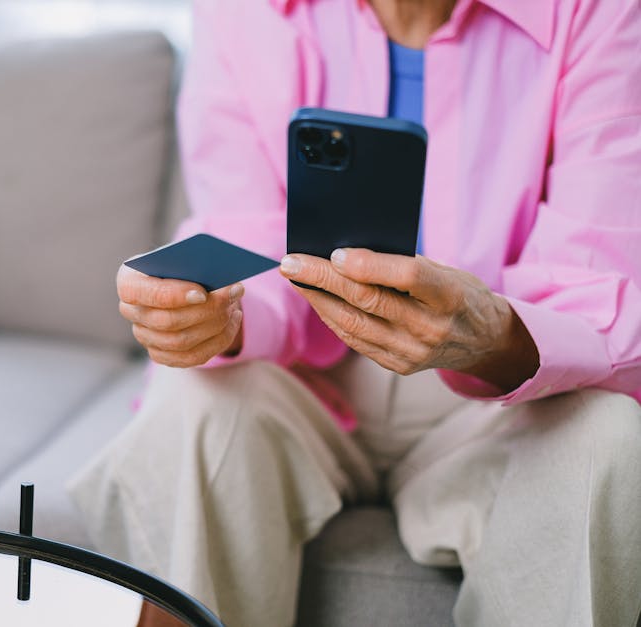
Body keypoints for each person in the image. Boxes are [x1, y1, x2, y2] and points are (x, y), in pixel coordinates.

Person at [69, 0, 641, 625]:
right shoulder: (241, 12)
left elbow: (599, 285)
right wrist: (214, 317)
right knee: (191, 402)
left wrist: (489, 334)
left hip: (496, 400)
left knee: (604, 436)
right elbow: (246, 240)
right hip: (307, 384)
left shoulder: (600, 13)